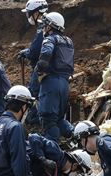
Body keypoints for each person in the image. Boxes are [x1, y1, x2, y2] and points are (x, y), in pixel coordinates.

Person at [36, 12, 74, 142]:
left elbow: (45, 56)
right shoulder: (69, 42)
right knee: (59, 119)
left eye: (45, 25)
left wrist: (40, 72)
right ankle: (78, 137)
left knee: (49, 121)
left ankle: (53, 151)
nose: (43, 28)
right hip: (64, 84)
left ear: (50, 26)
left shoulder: (50, 39)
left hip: (51, 83)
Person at [17, 0, 48, 125]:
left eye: (29, 13)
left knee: (33, 92)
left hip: (41, 67)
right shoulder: (50, 24)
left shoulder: (43, 27)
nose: (29, 16)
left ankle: (34, 120)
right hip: (49, 68)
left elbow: (35, 50)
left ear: (36, 13)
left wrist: (27, 53)